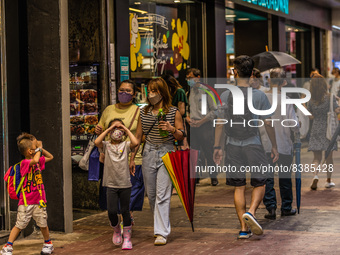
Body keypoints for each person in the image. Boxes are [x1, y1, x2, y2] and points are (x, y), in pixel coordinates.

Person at [213, 55, 279, 239]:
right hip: (254, 144)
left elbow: (220, 123)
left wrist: (217, 147)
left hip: (232, 145)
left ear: (235, 72)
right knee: (260, 181)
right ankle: (250, 212)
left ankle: (243, 228)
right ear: (251, 74)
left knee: (239, 186)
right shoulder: (259, 96)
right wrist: (274, 146)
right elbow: (268, 123)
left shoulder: (225, 95)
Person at [132, 78, 184, 245]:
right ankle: (160, 226)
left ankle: (161, 232)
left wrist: (171, 129)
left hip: (167, 152)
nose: (151, 94)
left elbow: (181, 135)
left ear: (162, 93)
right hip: (148, 153)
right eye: (149, 90)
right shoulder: (143, 112)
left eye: (155, 91)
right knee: (152, 195)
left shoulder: (173, 111)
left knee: (163, 194)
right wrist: (132, 158)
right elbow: (139, 137)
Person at [95, 80, 143, 222]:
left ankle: (127, 220)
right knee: (112, 193)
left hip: (131, 158)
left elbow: (139, 137)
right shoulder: (109, 109)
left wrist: (132, 158)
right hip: (111, 159)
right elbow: (101, 131)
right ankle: (119, 220)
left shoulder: (138, 111)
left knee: (131, 193)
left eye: (128, 91)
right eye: (121, 90)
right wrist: (99, 130)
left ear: (134, 94)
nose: (124, 93)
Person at [1, 133, 54, 255]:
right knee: (19, 224)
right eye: (35, 147)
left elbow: (50, 157)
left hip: (39, 200)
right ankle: (8, 246)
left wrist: (40, 148)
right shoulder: (25, 163)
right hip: (26, 201)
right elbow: (35, 159)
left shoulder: (38, 161)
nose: (38, 148)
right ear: (31, 151)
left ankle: (48, 243)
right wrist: (39, 149)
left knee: (43, 223)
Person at [259, 68, 299, 219]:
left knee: (268, 177)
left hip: (265, 144)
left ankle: (270, 207)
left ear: (268, 81)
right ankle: (286, 207)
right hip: (283, 144)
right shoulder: (287, 99)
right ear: (284, 82)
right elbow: (293, 124)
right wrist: (298, 125)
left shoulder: (261, 98)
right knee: (285, 176)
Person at [95, 119, 138, 250]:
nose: (116, 131)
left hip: (125, 183)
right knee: (112, 211)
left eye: (119, 129)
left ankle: (127, 238)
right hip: (111, 184)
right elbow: (97, 142)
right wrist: (109, 129)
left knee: (125, 211)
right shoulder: (106, 145)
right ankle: (116, 229)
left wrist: (125, 130)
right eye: (114, 129)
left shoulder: (125, 145)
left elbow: (135, 142)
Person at [186, 68, 218, 186]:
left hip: (205, 126)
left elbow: (214, 111)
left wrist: (202, 121)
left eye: (191, 77)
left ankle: (213, 177)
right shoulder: (188, 93)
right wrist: (188, 119)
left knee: (208, 152)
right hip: (193, 127)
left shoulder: (206, 91)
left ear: (198, 77)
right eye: (187, 78)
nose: (189, 80)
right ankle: (197, 177)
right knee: (194, 153)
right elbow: (187, 111)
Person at [308, 74, 340, 190]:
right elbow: (337, 110)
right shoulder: (330, 97)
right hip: (328, 130)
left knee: (316, 157)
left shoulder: (311, 100)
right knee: (329, 157)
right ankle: (328, 180)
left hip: (316, 128)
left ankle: (315, 176)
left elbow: (310, 116)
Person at [162, 74, 188, 149]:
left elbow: (182, 111)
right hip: (169, 123)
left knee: (180, 146)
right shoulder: (168, 93)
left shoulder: (180, 92)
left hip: (178, 122)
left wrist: (171, 113)